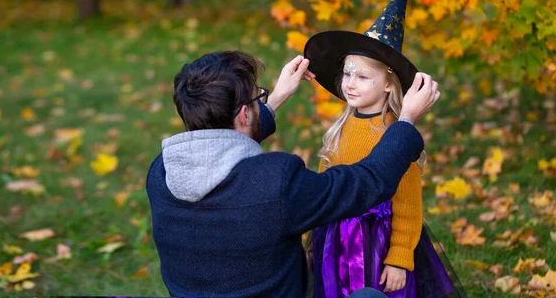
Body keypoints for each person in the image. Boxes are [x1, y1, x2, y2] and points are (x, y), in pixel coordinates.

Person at [145, 49, 440, 297]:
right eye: (257, 98)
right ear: (245, 114)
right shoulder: (277, 183)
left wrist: (275, 99)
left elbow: (219, 150)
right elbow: (367, 182)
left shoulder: (161, 172)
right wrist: (407, 121)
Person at [303, 0, 466, 298]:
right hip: (336, 236)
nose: (350, 83)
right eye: (347, 73)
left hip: (377, 241)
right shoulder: (339, 126)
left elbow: (408, 203)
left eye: (363, 77)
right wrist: (314, 231)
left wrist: (399, 258)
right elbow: (324, 185)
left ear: (389, 84)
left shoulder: (395, 134)